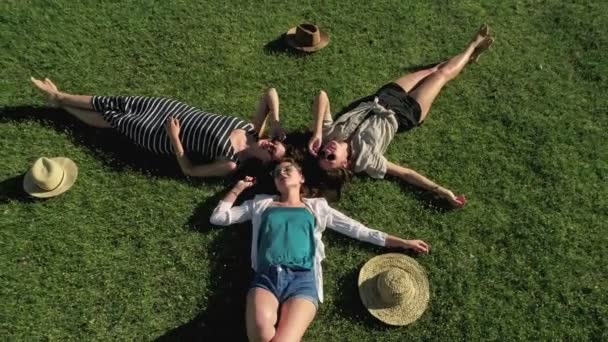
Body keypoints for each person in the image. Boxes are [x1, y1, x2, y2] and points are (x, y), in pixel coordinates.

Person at [210, 159, 429, 342]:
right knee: (260, 334)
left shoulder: (317, 208)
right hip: (266, 278)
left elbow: (357, 230)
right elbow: (219, 217)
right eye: (277, 173)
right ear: (275, 183)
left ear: (301, 178)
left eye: (288, 169)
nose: (282, 173)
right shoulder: (261, 205)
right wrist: (238, 188)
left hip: (303, 282)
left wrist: (402, 242)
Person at [308, 25, 495, 207]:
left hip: (383, 96)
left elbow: (322, 95)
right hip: (406, 113)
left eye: (323, 154)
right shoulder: (367, 161)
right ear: (345, 164)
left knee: (430, 71)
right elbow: (406, 174)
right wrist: (443, 191)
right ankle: (472, 47)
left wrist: (317, 132)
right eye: (330, 157)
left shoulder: (328, 133)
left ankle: (466, 57)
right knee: (441, 74)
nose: (327, 150)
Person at [31, 78, 287, 178]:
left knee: (113, 120)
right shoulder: (252, 129)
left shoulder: (232, 162)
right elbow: (270, 93)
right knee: (117, 102)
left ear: (264, 164)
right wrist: (275, 121)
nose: (271, 144)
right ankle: (62, 96)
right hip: (171, 108)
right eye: (276, 143)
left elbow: (191, 170)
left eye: (272, 152)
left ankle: (60, 106)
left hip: (159, 134)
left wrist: (175, 138)